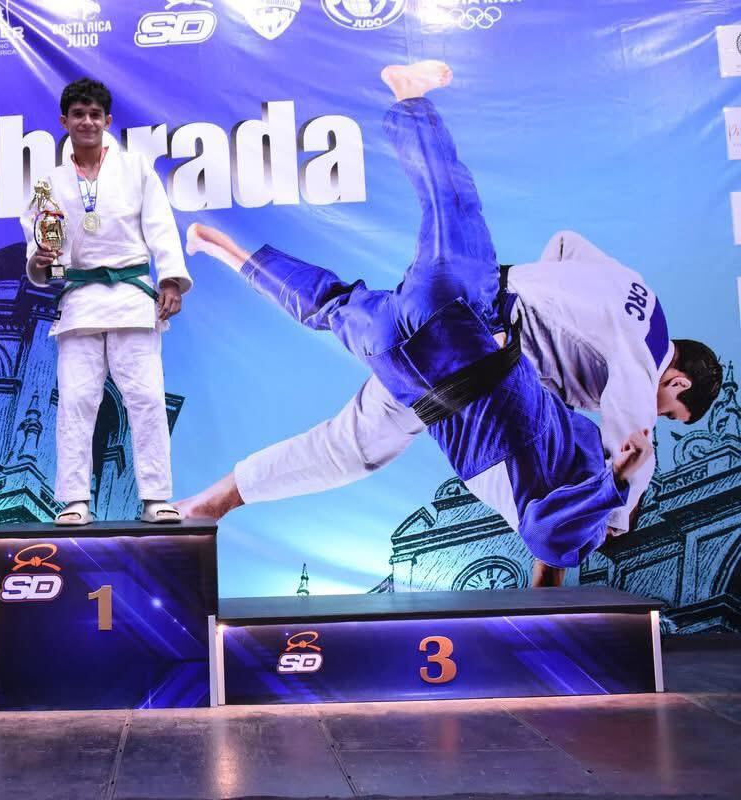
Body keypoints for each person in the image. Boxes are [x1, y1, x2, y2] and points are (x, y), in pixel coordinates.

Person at [182, 61, 659, 584]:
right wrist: (615, 488)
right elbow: (555, 536)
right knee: (330, 307)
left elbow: (552, 540)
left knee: (452, 205)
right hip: (409, 367)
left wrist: (615, 483)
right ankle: (231, 256)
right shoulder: (586, 479)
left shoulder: (580, 514)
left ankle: (409, 101)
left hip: (458, 333)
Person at [179, 228, 722, 586]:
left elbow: (565, 245)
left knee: (337, 312)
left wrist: (535, 295)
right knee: (354, 447)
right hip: (474, 346)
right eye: (673, 409)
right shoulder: (643, 360)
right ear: (676, 378)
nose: (663, 415)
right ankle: (215, 502)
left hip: (474, 297)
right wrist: (619, 515)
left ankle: (231, 251)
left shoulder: (640, 293)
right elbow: (635, 444)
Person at [21, 78, 192, 526]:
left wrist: (171, 279)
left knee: (148, 399)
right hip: (79, 301)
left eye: (95, 114)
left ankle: (156, 497)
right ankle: (74, 500)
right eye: (78, 114)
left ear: (108, 121)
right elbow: (41, 256)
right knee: (76, 400)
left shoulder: (136, 169)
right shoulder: (49, 184)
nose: (88, 121)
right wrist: (41, 260)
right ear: (65, 121)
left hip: (133, 299)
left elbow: (161, 227)